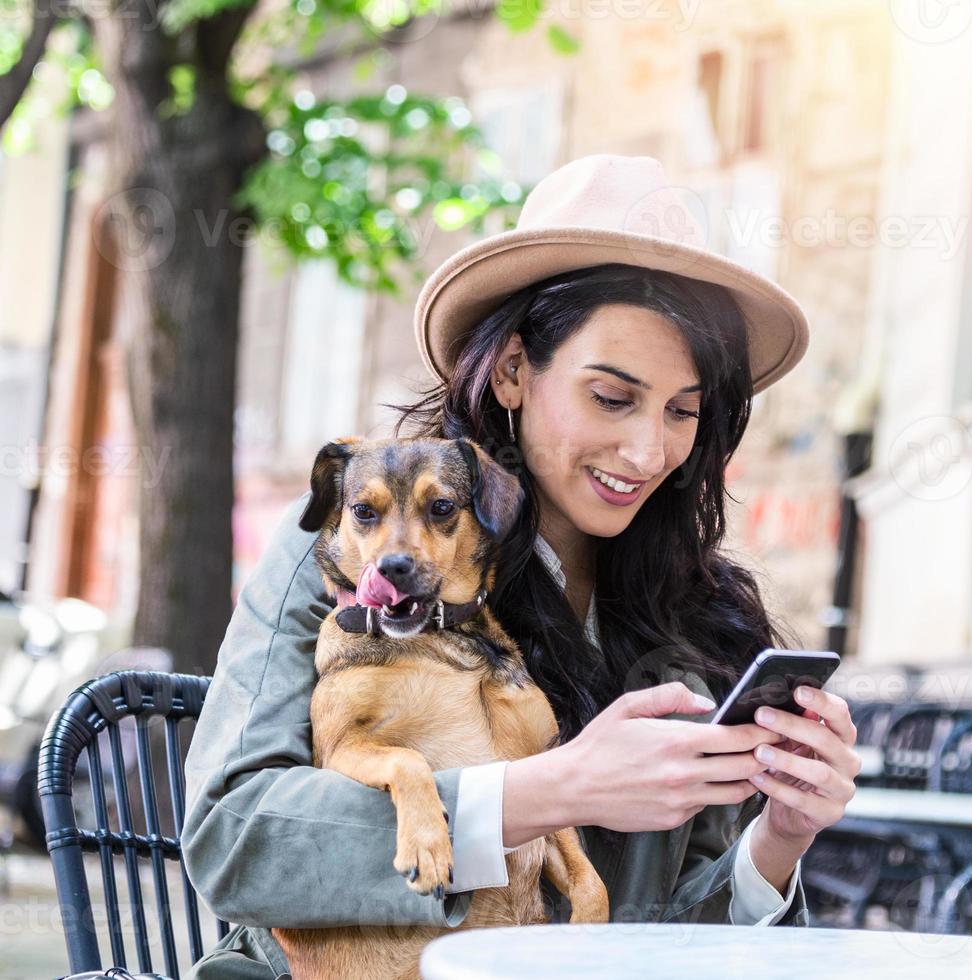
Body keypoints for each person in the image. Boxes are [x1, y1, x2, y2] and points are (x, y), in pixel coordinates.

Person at [181, 154, 862, 978]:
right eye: (612, 397)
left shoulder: (689, 613)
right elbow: (233, 836)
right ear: (510, 370)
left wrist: (780, 840)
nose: (648, 450)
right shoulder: (357, 546)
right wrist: (546, 792)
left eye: (683, 411)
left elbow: (661, 938)